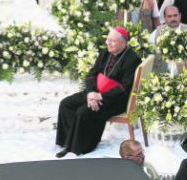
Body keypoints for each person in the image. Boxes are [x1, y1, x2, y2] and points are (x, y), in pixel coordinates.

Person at [56, 27, 142, 157]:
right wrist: (91, 93)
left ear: (123, 43)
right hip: (95, 92)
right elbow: (92, 74)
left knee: (84, 111)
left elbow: (124, 88)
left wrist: (101, 96)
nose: (108, 43)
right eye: (107, 40)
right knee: (66, 104)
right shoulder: (105, 53)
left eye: (112, 41)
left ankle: (79, 147)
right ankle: (68, 142)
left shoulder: (132, 59)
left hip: (115, 99)